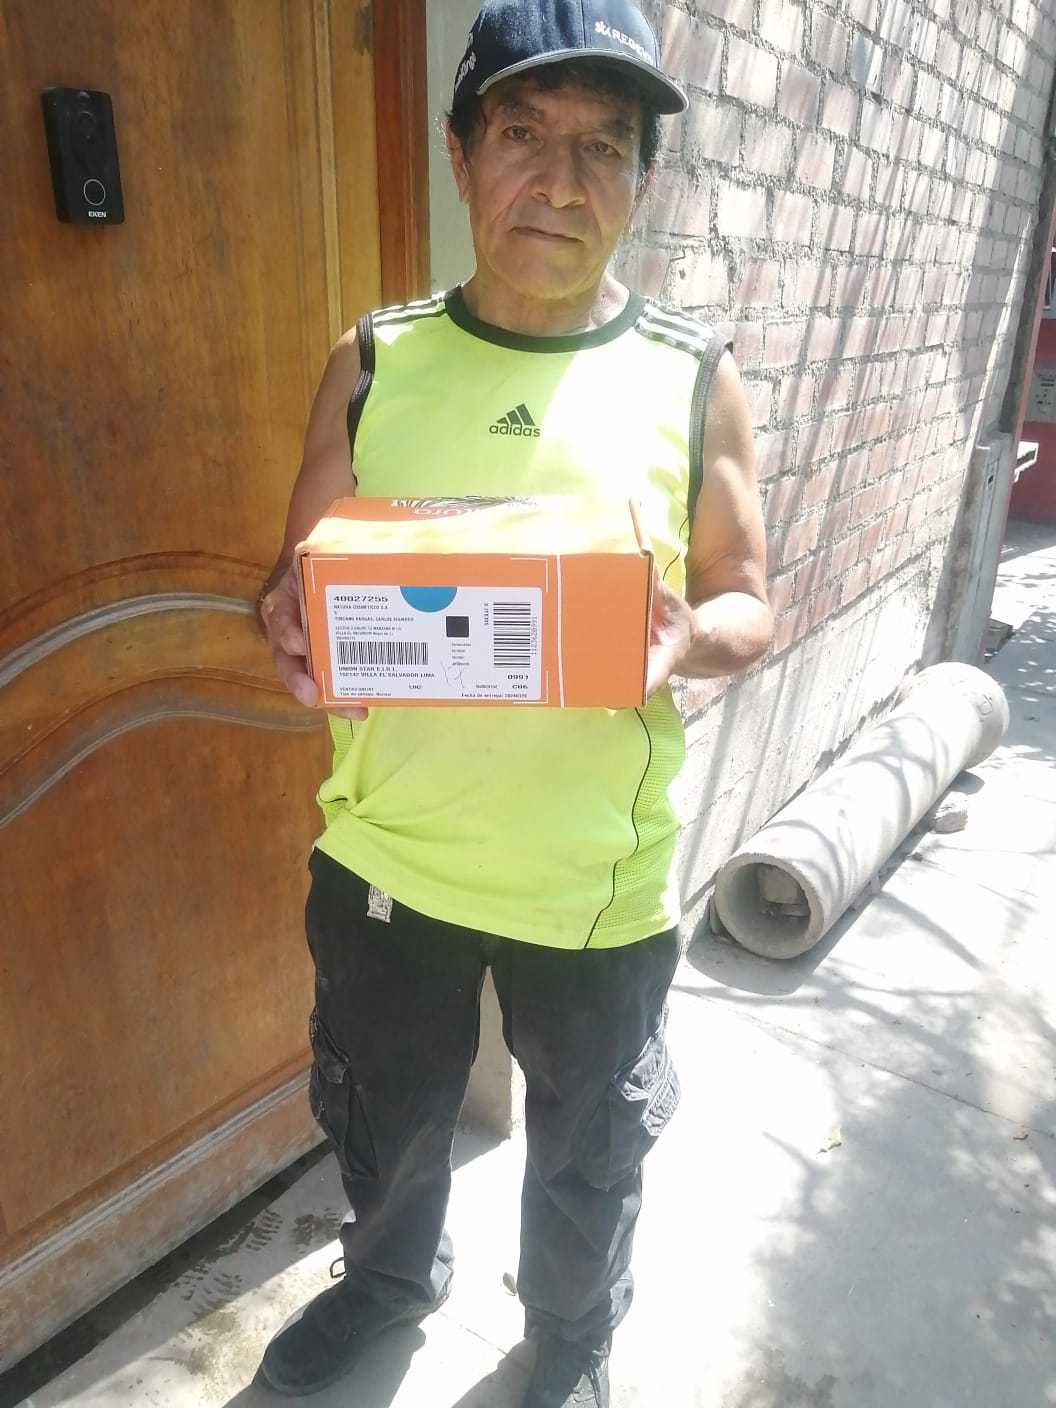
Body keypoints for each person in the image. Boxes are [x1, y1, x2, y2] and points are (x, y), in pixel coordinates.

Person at [256, 1, 772, 1402]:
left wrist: (687, 637)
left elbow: (751, 601)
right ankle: (387, 1283)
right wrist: (286, 622)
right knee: (385, 1116)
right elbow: (301, 584)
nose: (560, 182)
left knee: (590, 1154)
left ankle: (571, 1336)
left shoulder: (692, 379)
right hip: (392, 858)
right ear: (458, 155)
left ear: (641, 180)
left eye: (604, 147)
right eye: (523, 135)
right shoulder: (374, 361)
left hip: (593, 883)